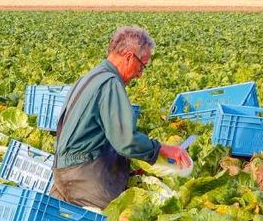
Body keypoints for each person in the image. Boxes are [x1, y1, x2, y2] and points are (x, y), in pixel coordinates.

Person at [52, 25, 192, 209]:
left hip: (63, 170)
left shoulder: (91, 76)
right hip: (84, 176)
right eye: (141, 66)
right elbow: (125, 140)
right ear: (128, 57)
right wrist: (160, 149)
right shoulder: (110, 83)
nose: (140, 75)